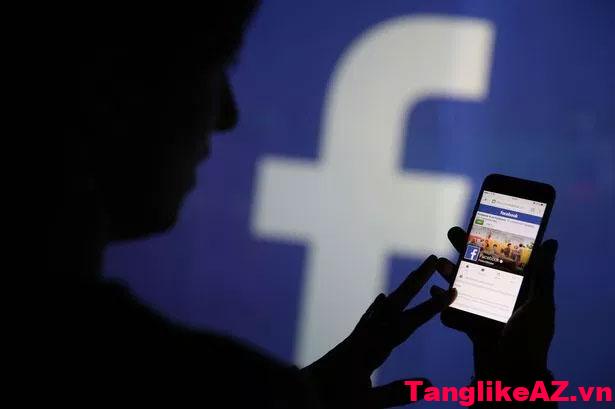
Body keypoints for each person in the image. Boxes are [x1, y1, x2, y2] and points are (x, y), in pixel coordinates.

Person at [37, 4, 559, 407]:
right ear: (108, 85)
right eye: (215, 67)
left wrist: (312, 396)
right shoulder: (205, 384)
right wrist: (513, 381)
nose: (227, 114)